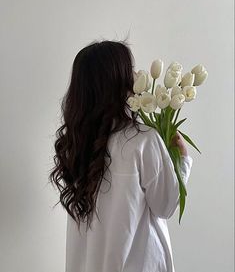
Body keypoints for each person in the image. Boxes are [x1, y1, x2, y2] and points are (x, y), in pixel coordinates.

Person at [48, 39, 193, 272]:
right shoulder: (143, 140)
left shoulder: (77, 145)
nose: (135, 75)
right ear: (118, 81)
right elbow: (165, 205)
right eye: (130, 70)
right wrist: (182, 160)